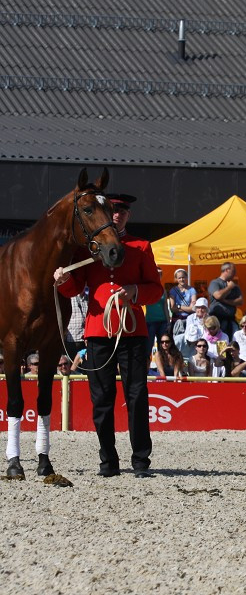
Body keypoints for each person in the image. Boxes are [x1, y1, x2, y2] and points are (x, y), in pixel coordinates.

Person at [54, 192, 163, 478]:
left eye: (123, 211)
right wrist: (64, 281)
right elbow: (75, 288)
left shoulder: (141, 246)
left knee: (137, 395)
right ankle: (108, 461)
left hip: (133, 330)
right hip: (99, 332)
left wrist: (135, 292)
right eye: (114, 210)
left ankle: (141, 460)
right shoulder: (88, 249)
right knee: (101, 398)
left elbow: (156, 289)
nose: (119, 214)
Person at [208, 262, 244, 338]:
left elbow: (240, 301)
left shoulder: (235, 286)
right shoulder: (215, 283)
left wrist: (225, 301)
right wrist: (229, 288)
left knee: (234, 341)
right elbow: (218, 296)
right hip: (217, 320)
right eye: (233, 271)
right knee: (220, 342)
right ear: (227, 270)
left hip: (231, 319)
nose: (235, 273)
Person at [144, 268, 169, 353]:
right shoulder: (147, 288)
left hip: (162, 321)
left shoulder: (163, 290)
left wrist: (168, 321)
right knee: (148, 345)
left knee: (163, 346)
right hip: (150, 321)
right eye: (156, 274)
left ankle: (162, 365)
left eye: (160, 274)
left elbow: (165, 306)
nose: (158, 276)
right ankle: (146, 365)